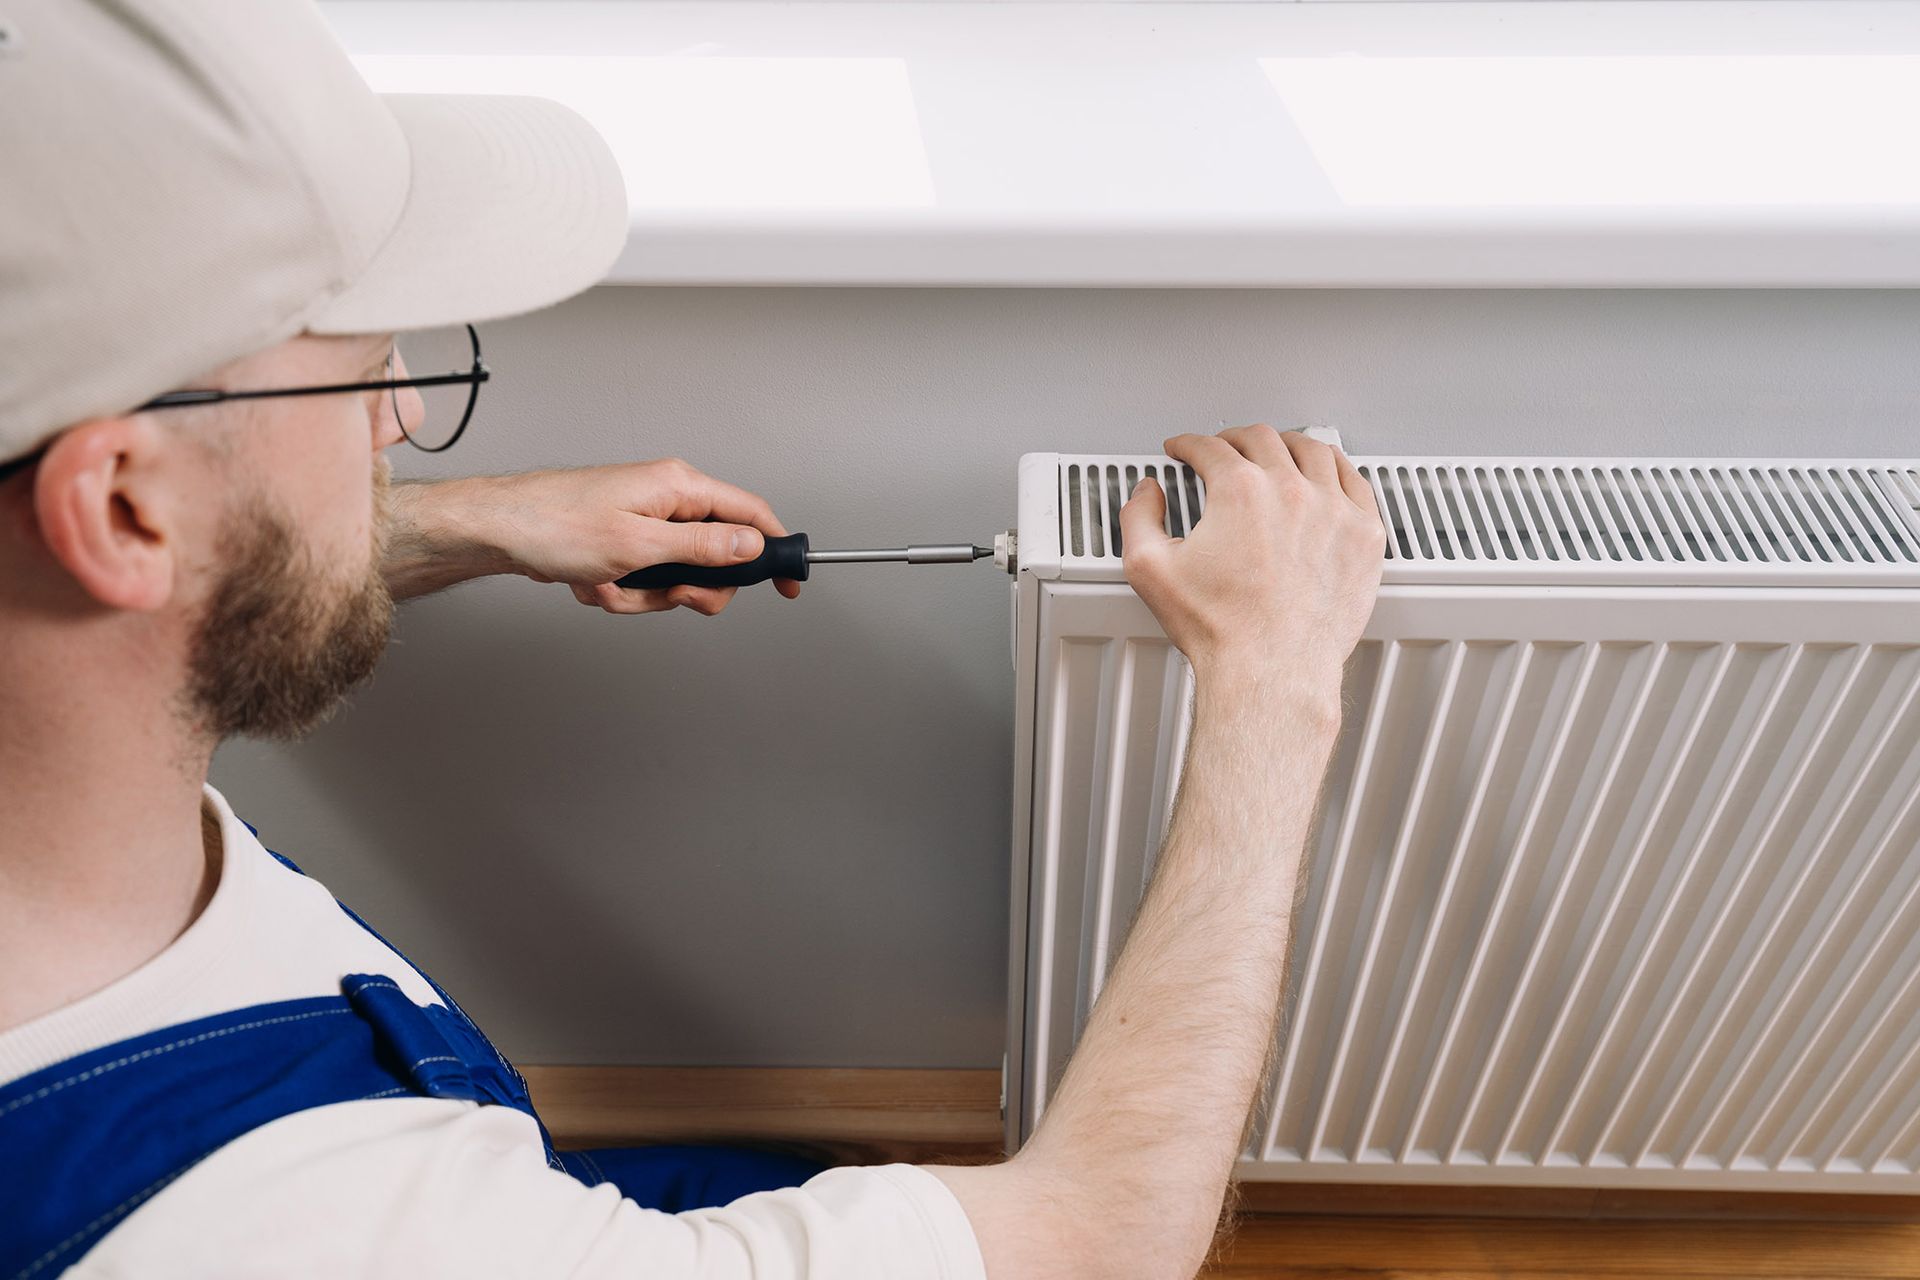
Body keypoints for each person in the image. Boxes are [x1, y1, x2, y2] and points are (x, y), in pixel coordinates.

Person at [0, 1, 1385, 1277]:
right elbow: (1099, 1240)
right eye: (369, 368)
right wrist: (1276, 683)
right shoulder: (337, 1236)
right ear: (124, 507)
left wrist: (473, 524)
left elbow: (142, 593)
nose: (401, 420)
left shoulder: (51, 713)